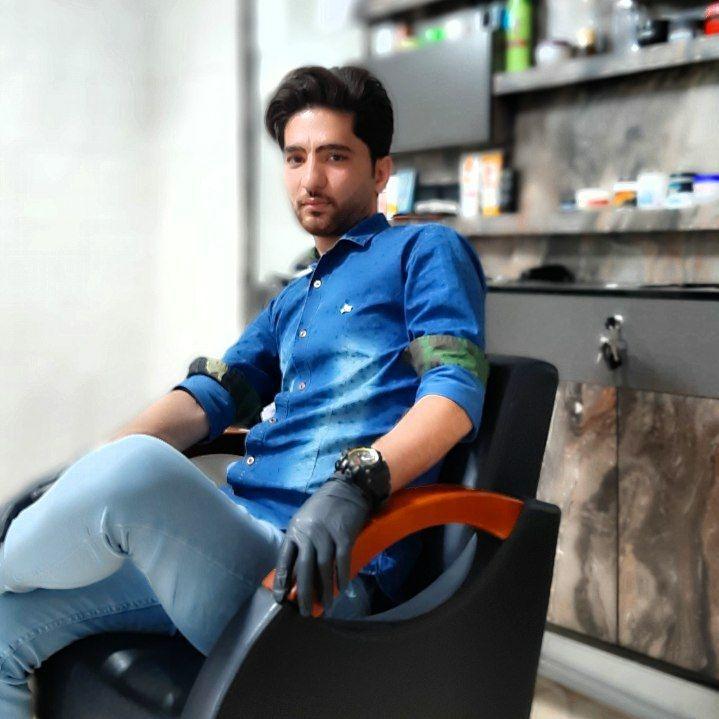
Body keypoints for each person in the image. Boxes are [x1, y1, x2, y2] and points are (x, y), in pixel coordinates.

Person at [0, 65, 487, 717]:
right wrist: (78, 482)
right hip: (227, 551)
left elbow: (453, 393)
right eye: (295, 157)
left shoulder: (425, 250)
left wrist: (356, 482)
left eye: (334, 156)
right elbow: (209, 395)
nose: (310, 179)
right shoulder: (295, 294)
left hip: (318, 571)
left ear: (380, 171)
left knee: (138, 465)